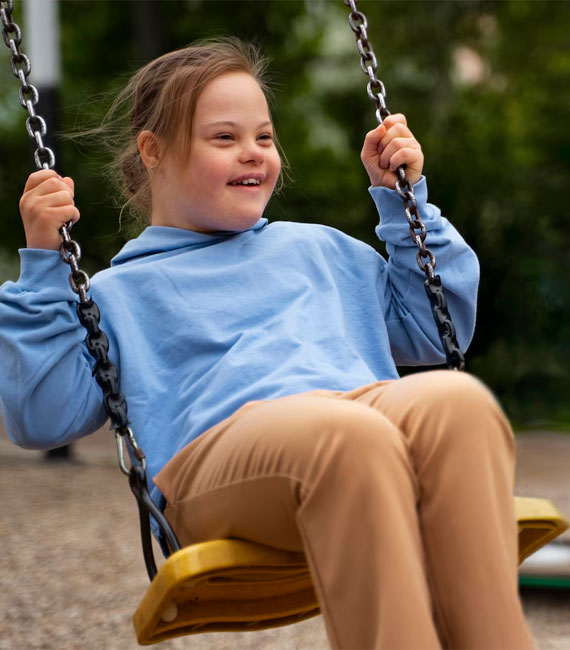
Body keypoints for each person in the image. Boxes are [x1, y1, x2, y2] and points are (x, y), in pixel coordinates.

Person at [0, 38, 534, 649]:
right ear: (153, 150)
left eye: (264, 137)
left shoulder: (322, 249)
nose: (253, 153)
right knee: (348, 437)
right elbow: (41, 416)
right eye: (224, 138)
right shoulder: (117, 295)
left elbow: (436, 330)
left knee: (456, 402)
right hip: (217, 463)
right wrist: (44, 265)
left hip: (357, 423)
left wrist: (402, 198)